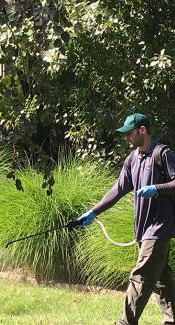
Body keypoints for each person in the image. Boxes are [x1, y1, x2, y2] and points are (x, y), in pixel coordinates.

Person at [77, 113, 175, 325]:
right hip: (142, 230)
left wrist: (157, 189)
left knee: (140, 277)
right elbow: (117, 190)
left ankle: (125, 323)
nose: (126, 138)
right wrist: (93, 212)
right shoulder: (132, 159)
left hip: (159, 228)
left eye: (129, 133)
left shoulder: (162, 154)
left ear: (142, 130)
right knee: (161, 279)